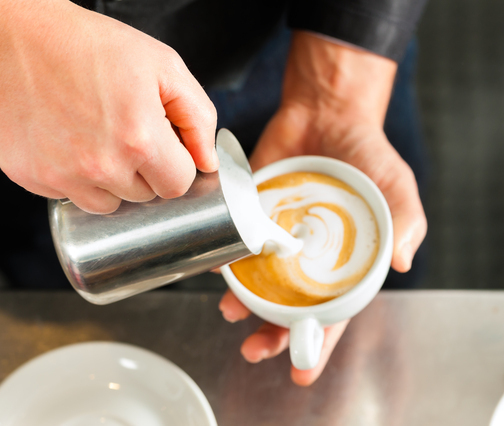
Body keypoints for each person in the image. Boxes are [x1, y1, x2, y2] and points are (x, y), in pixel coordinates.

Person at [0, 0, 428, 386]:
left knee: (377, 334)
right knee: (72, 323)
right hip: (30, 103)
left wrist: (338, 93)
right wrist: (14, 32)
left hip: (298, 36)